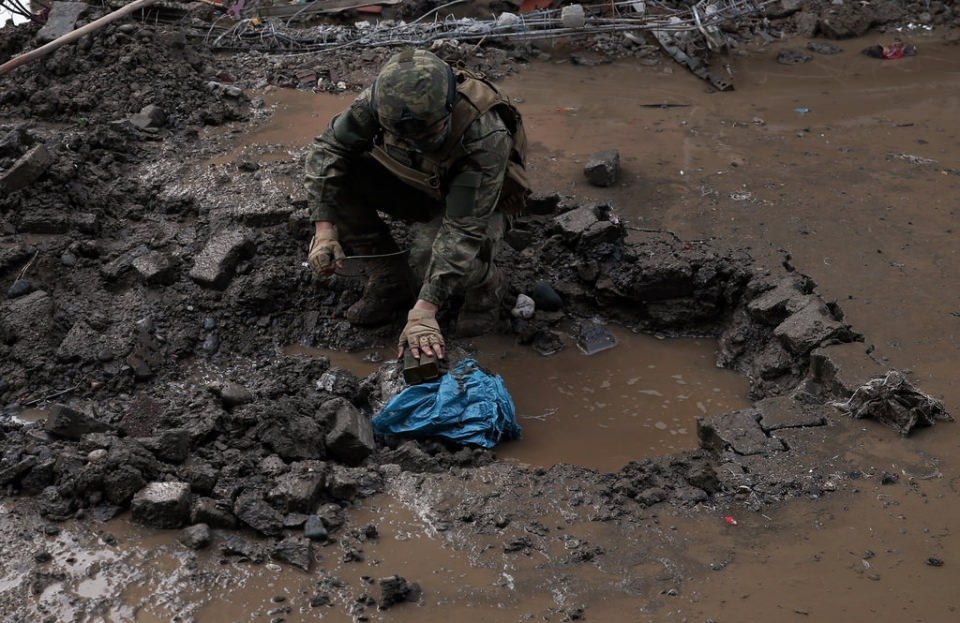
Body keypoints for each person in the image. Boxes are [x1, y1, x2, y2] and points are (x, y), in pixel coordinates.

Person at [303, 48, 530, 364]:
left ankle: (488, 284)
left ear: (449, 108)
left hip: (485, 203)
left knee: (428, 259)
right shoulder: (381, 103)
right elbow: (327, 149)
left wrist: (425, 309)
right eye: (406, 137)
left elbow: (462, 227)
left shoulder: (482, 134)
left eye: (429, 134)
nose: (418, 143)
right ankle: (391, 279)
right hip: (421, 184)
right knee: (336, 177)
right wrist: (324, 230)